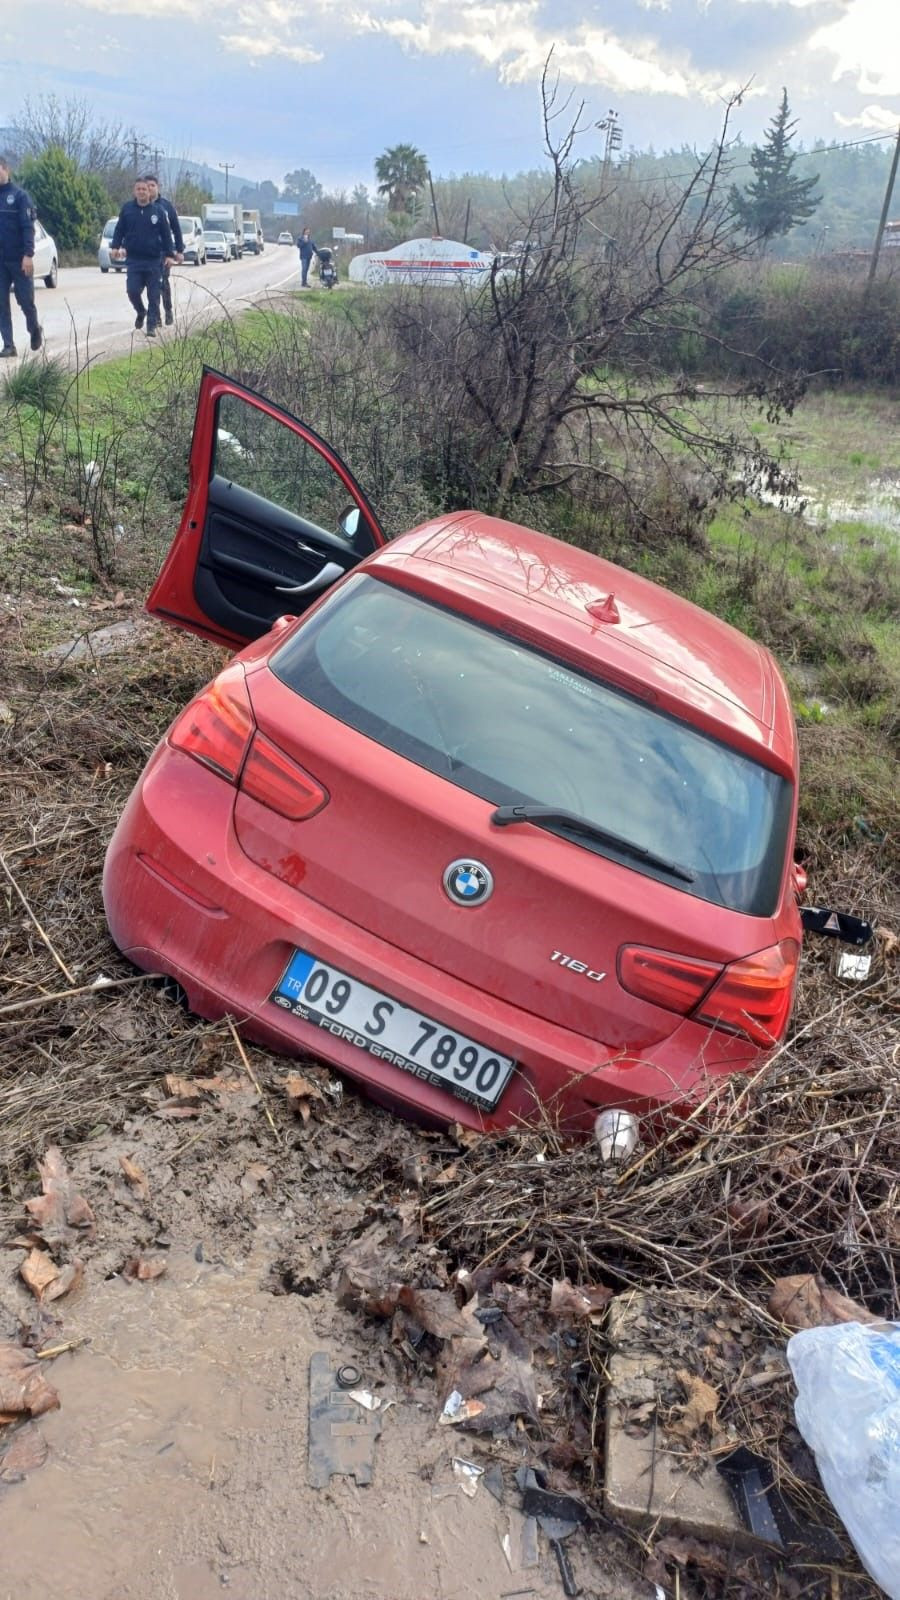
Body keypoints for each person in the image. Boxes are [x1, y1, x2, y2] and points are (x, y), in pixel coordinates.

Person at [110, 178, 175, 338]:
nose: (141, 192)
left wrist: (169, 254)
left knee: (153, 296)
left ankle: (151, 325)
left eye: (144, 189)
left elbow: (166, 235)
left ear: (149, 192)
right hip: (134, 260)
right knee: (132, 291)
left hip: (153, 260)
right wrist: (115, 247)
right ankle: (140, 311)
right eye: (138, 189)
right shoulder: (127, 210)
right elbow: (119, 230)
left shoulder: (158, 211)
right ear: (134, 191)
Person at [0, 153, 43, 358]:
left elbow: (28, 228)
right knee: (1, 302)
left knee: (25, 300)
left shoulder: (19, 196)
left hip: (18, 258)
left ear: (6, 170)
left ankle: (34, 329)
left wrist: (28, 254)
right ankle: (9, 345)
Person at [144, 175, 183, 326]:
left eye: (152, 185)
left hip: (163, 252)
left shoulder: (166, 206)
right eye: (147, 186)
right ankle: (156, 316)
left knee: (162, 283)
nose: (150, 188)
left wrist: (178, 251)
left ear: (158, 187)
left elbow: (176, 229)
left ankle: (168, 310)